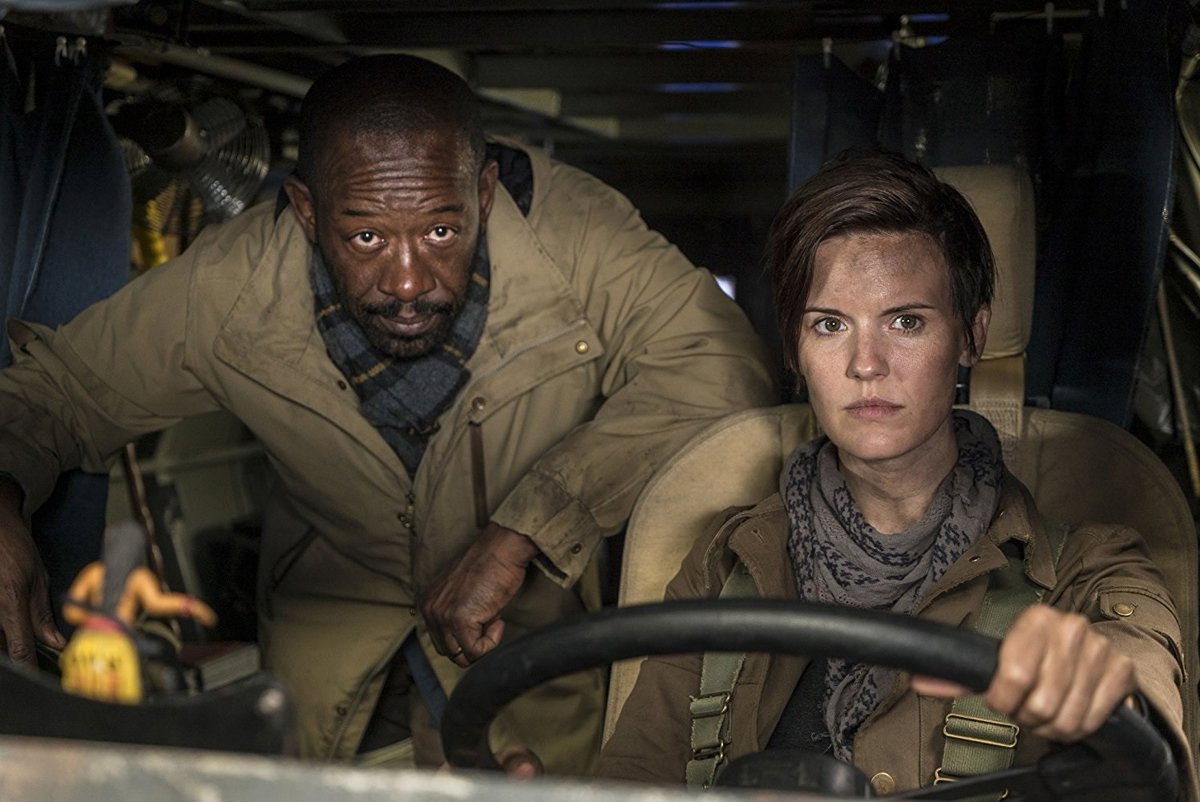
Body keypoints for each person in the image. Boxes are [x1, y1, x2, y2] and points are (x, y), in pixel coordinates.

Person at [0, 54, 778, 772]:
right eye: (367, 235)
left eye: (441, 230)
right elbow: (57, 392)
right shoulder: (233, 284)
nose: (408, 281)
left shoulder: (581, 239)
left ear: (483, 196)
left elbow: (721, 368)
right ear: (306, 211)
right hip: (324, 694)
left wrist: (527, 529)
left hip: (528, 685)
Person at [596, 150, 1194, 795]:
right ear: (796, 350)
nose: (866, 364)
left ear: (971, 335)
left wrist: (1104, 698)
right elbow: (633, 781)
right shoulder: (730, 559)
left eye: (906, 322)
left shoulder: (1086, 569)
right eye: (830, 325)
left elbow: (1139, 688)